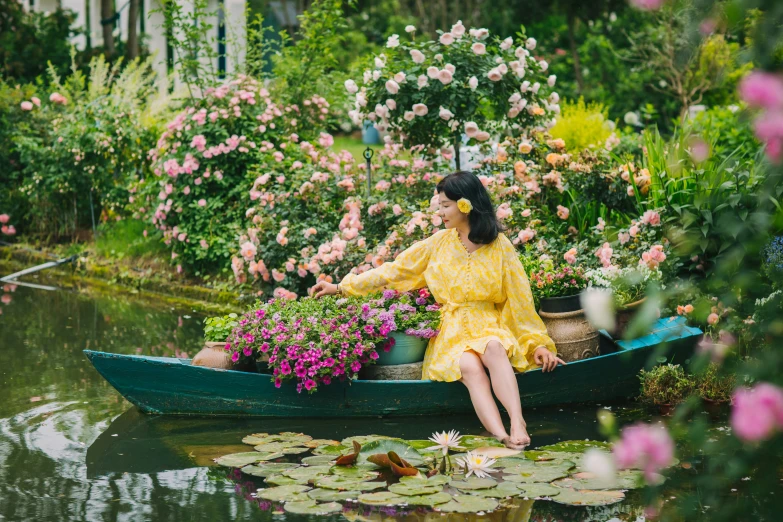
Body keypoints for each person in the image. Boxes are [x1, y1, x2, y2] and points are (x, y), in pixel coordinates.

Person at [310, 171, 565, 449]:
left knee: (493, 347)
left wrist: (536, 345)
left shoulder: (499, 246)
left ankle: (518, 422)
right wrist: (341, 287)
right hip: (451, 329)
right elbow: (394, 273)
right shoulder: (438, 244)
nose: (440, 212)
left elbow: (519, 298)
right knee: (468, 365)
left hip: (487, 322)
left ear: (465, 204)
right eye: (439, 205)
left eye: (445, 205)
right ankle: (500, 435)